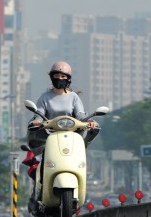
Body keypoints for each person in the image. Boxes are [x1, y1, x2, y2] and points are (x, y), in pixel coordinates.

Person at [25, 61, 99, 206]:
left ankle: (79, 189)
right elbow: (39, 114)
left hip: (71, 137)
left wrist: (89, 122)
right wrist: (36, 121)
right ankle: (39, 190)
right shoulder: (45, 97)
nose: (60, 78)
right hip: (50, 136)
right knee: (43, 162)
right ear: (52, 78)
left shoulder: (74, 98)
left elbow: (80, 116)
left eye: (63, 76)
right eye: (57, 75)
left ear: (68, 79)